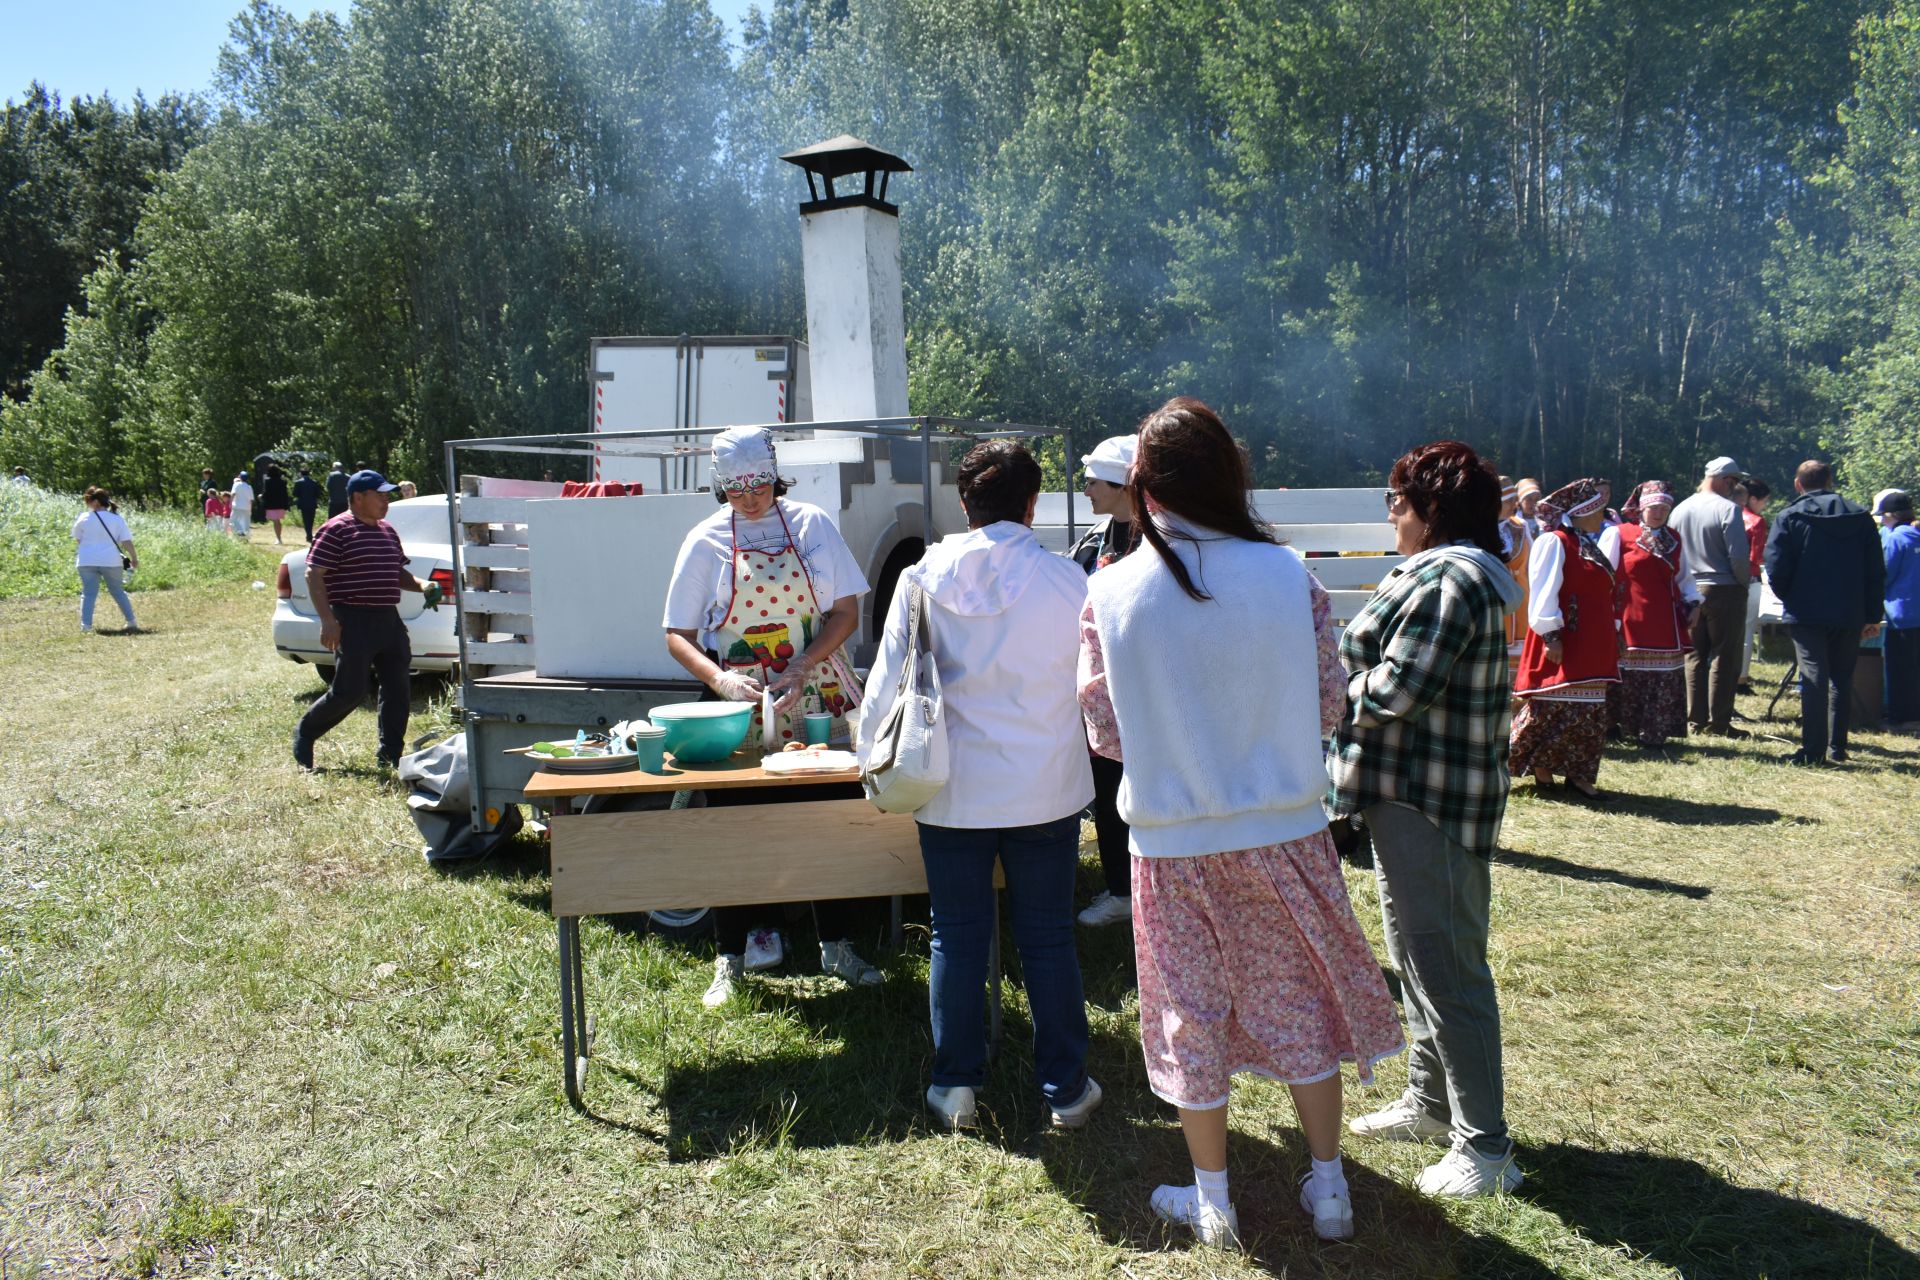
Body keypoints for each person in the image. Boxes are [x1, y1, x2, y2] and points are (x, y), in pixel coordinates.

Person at [1080, 399, 1403, 1246]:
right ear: (1232, 474)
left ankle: (1213, 1199)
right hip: (1287, 829)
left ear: (1144, 487)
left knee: (1187, 1010)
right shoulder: (1288, 572)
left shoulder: (1108, 591)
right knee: (1295, 997)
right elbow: (1332, 703)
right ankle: (1328, 1189)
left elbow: (1104, 733)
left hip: (1170, 840)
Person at [855, 439, 1104, 1138]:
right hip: (1046, 786)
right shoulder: (1069, 581)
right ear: (1032, 503)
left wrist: (866, 761)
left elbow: (886, 685)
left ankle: (956, 1084)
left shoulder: (922, 575)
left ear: (964, 503)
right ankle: (1065, 1087)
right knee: (1048, 937)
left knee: (957, 937)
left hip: (950, 787)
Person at [1330, 442, 1525, 1201]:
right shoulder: (1451, 573)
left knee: (1449, 973)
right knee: (1419, 960)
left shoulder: (1451, 578)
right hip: (1410, 795)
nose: (1390, 514)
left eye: (1399, 501)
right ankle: (1432, 1103)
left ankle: (1486, 1150)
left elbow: (1397, 690)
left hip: (1428, 801)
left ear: (1434, 511)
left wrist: (1327, 680)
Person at [662, 426, 882, 1004]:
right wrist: (719, 678)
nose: (750, 499)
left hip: (815, 696)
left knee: (829, 822)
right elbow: (677, 634)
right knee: (738, 829)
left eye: (759, 485)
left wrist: (805, 663)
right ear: (721, 486)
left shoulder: (811, 525)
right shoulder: (705, 540)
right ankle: (734, 954)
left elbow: (845, 613)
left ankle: (836, 943)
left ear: (774, 476)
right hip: (740, 708)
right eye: (736, 490)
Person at [292, 471, 440, 770]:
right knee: (350, 690)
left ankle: (390, 754)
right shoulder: (336, 529)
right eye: (380, 494)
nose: (387, 500)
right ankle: (306, 732)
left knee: (398, 688)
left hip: (389, 619)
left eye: (388, 495)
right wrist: (328, 620)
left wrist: (424, 585)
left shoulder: (387, 530)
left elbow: (397, 573)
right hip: (353, 618)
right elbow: (314, 574)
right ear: (358, 498)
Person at [1765, 461, 1885, 765]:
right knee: (1842, 678)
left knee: (1814, 676)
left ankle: (1812, 749)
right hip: (1849, 611)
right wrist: (1872, 614)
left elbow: (1777, 569)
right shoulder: (1860, 517)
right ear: (1830, 480)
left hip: (1806, 612)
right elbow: (1875, 570)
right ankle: (1837, 747)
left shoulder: (1789, 516)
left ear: (1797, 484)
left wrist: (1790, 597)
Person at [1511, 479, 1620, 798]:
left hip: (1591, 642)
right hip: (1565, 639)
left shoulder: (1587, 543)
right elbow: (1543, 591)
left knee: (1588, 710)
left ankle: (1578, 774)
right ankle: (1542, 769)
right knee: (1552, 707)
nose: (1602, 516)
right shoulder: (1555, 542)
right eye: (1597, 510)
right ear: (1582, 513)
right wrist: (1551, 635)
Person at [1069, 432, 1138, 929]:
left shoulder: (1162, 538)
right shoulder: (1095, 540)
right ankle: (1120, 889)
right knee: (1110, 792)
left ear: (1122, 485)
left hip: (1150, 690)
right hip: (1106, 697)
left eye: (1094, 481)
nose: (1087, 490)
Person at [1603, 482, 1699, 747]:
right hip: (1628, 615)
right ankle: (1615, 726)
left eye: (1664, 508)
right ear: (1642, 507)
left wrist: (1694, 602)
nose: (1658, 512)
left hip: (1664, 620)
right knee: (1625, 674)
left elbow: (1684, 577)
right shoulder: (1620, 534)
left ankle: (1654, 730)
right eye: (1654, 507)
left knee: (1662, 677)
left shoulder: (1674, 538)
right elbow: (1603, 574)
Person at [1668, 457, 1751, 737]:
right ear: (1725, 480)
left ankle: (1695, 719)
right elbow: (1738, 557)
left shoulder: (1679, 509)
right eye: (1734, 481)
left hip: (1688, 590)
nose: (1734, 487)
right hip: (1723, 588)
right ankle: (1719, 723)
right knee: (1724, 656)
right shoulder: (1729, 509)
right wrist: (1743, 584)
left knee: (1694, 656)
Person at [1874, 490, 1920, 729]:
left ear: (1891, 515)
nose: (1881, 520)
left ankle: (1900, 717)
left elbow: (1885, 574)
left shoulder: (1895, 538)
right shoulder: (1917, 533)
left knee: (1900, 668)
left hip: (1901, 613)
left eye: (1883, 516)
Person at [72, 486, 140, 633]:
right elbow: (126, 541)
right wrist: (134, 557)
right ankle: (131, 621)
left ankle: (86, 626)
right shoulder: (116, 519)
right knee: (117, 591)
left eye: (88, 501)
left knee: (88, 593)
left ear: (95, 502)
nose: (87, 504)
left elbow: (79, 539)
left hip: (86, 560)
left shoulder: (83, 518)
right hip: (111, 560)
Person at [1736, 477, 1771, 692]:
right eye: (1765, 501)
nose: (1765, 505)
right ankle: (1741, 678)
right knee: (1747, 631)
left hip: (1727, 580)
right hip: (1750, 579)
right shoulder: (1756, 522)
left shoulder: (1728, 515)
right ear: (1754, 499)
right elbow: (1756, 557)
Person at [1497, 478, 1533, 675]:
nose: (1514, 505)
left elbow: (1532, 565)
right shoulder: (1477, 530)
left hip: (1521, 604)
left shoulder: (1521, 526)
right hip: (1496, 606)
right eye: (1509, 500)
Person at [260, 463, 292, 545]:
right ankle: (279, 538)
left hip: (271, 504)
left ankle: (278, 538)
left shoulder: (267, 481)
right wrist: (286, 504)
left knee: (276, 521)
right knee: (277, 520)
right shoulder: (283, 481)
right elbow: (285, 493)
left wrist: (261, 496)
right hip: (280, 504)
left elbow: (266, 493)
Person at [292, 467, 322, 542]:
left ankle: (309, 535)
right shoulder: (314, 482)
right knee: (311, 519)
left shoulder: (298, 482)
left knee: (306, 520)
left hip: (303, 504)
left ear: (301, 473)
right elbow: (318, 494)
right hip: (312, 503)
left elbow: (295, 494)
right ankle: (309, 534)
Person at [229, 470, 255, 541]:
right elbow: (251, 500)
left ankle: (240, 531)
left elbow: (233, 494)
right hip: (247, 507)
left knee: (233, 521)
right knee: (246, 522)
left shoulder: (236, 484)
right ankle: (246, 537)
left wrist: (230, 503)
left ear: (240, 477)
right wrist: (250, 509)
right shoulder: (249, 487)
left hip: (237, 506)